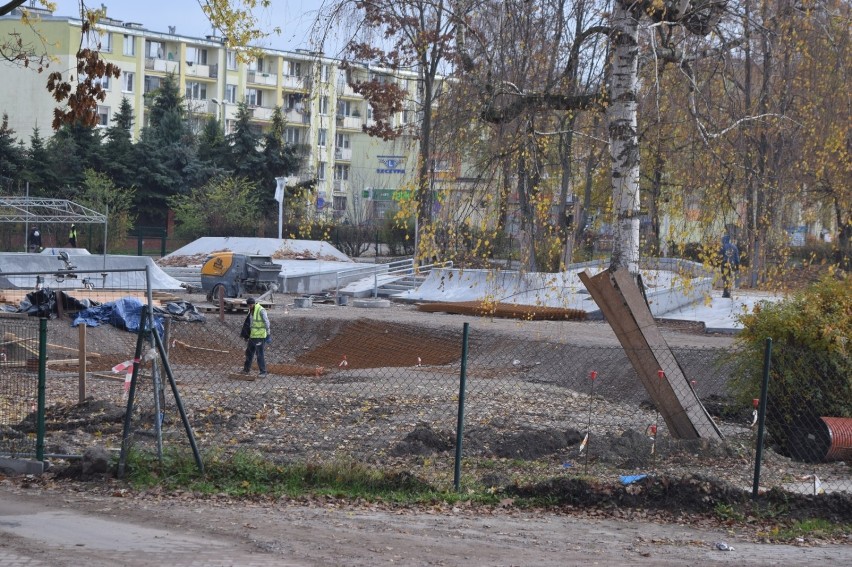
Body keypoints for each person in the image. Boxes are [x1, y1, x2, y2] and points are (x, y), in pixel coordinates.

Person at [242, 296, 270, 377]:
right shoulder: (251, 311)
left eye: (250, 305)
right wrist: (246, 334)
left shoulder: (261, 310)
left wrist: (268, 334)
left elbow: (267, 322)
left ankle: (263, 372)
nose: (249, 307)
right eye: (248, 305)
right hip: (253, 336)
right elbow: (250, 324)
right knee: (249, 352)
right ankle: (246, 369)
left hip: (260, 336)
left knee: (259, 354)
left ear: (253, 304)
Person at [720, 234, 740, 299]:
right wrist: (737, 265)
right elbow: (737, 257)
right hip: (732, 264)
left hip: (724, 264)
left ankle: (725, 292)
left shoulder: (723, 247)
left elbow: (719, 256)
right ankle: (729, 291)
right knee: (730, 277)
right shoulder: (734, 247)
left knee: (725, 278)